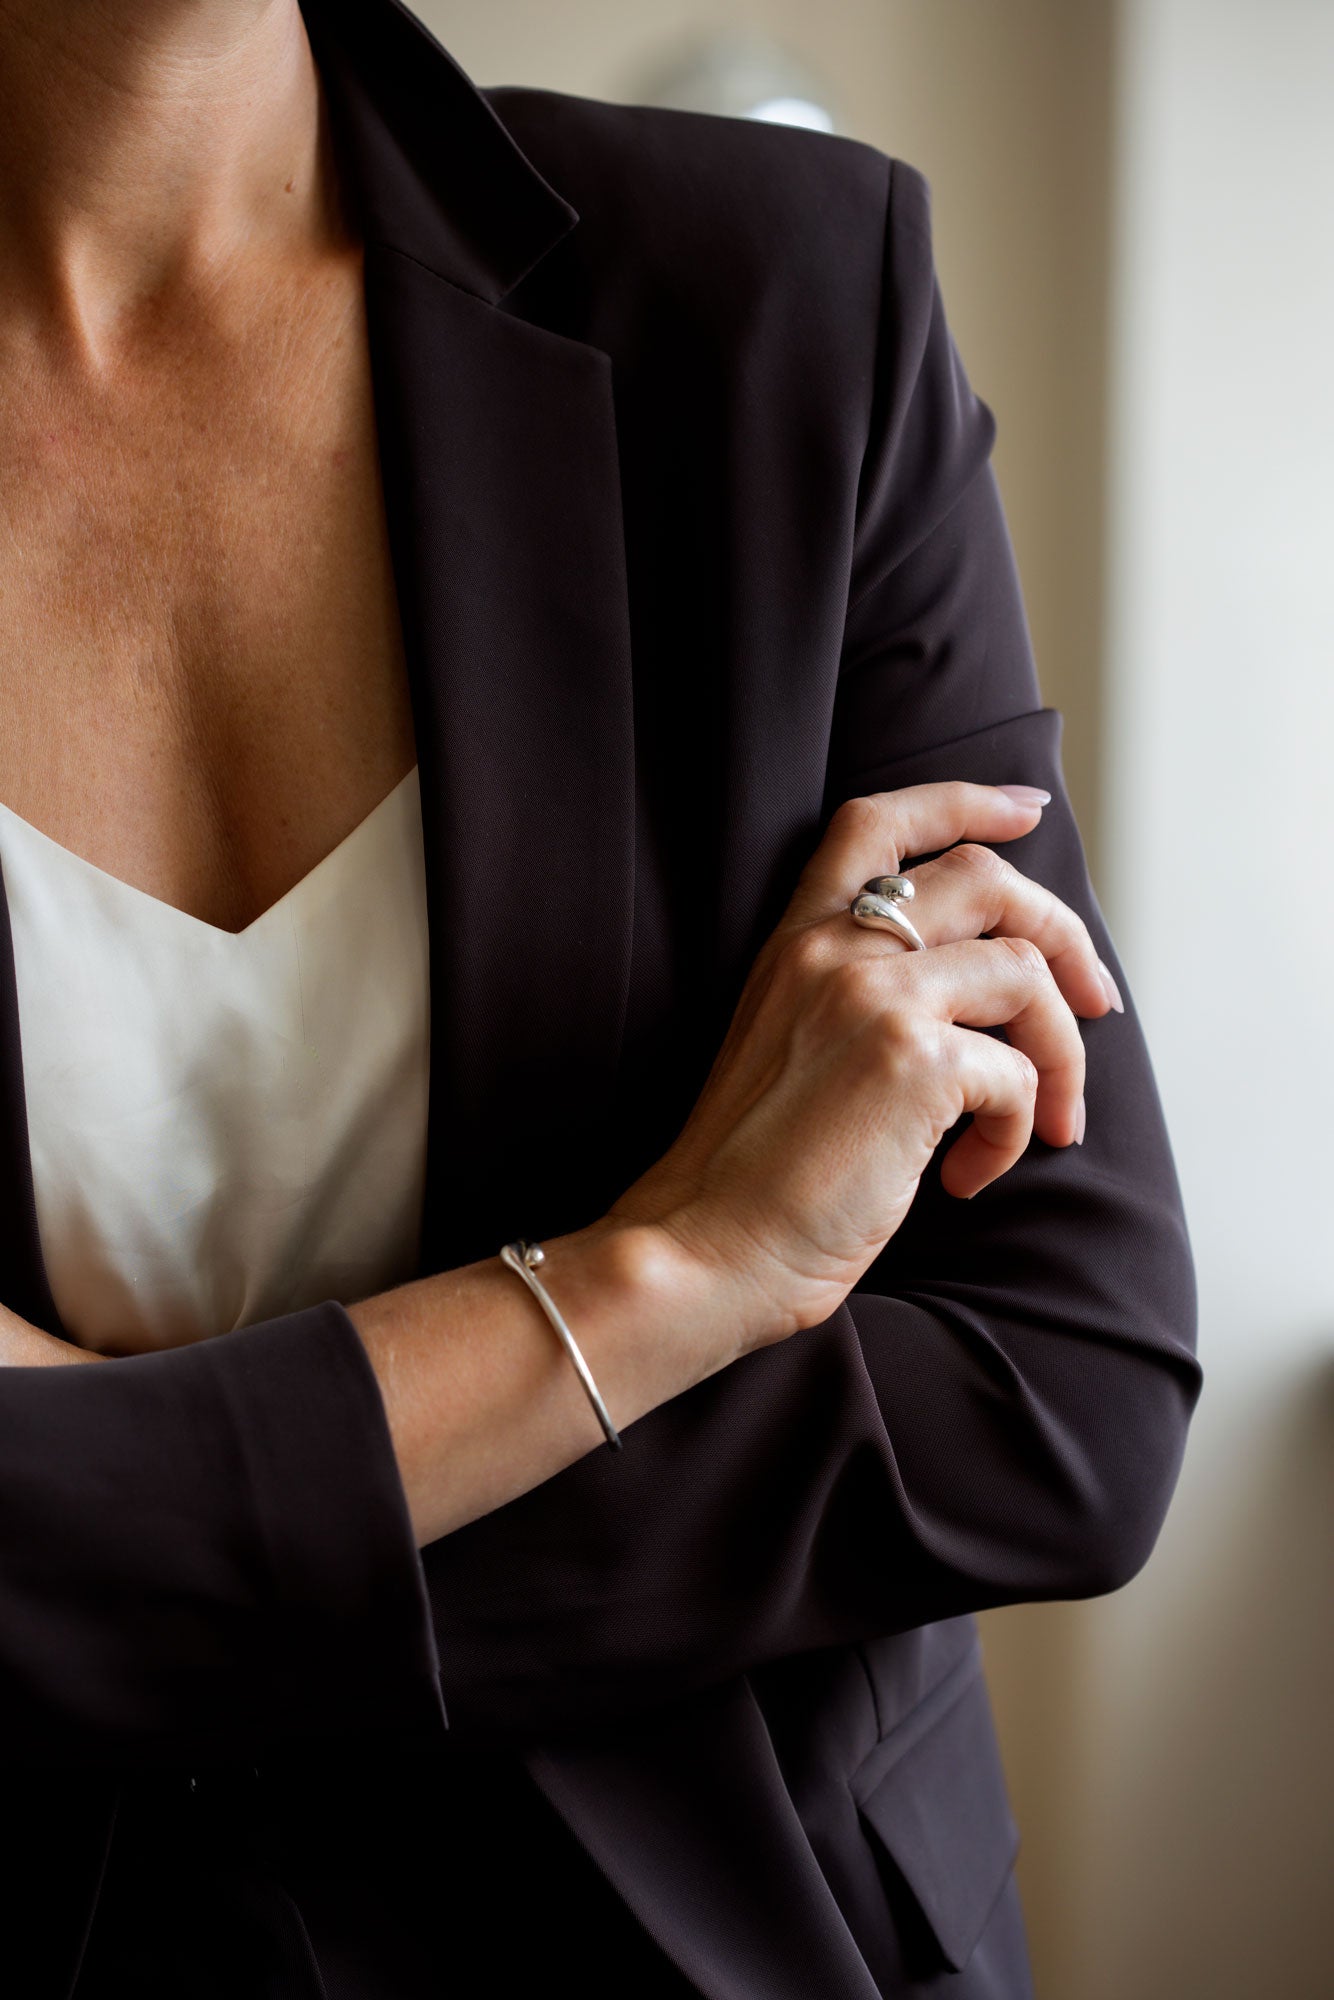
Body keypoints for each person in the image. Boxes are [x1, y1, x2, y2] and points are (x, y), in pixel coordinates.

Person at [0, 0, 1201, 1995]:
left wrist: (112, 1553)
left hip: (751, 1935)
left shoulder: (777, 301)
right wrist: (673, 1273)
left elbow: (1049, 1383)